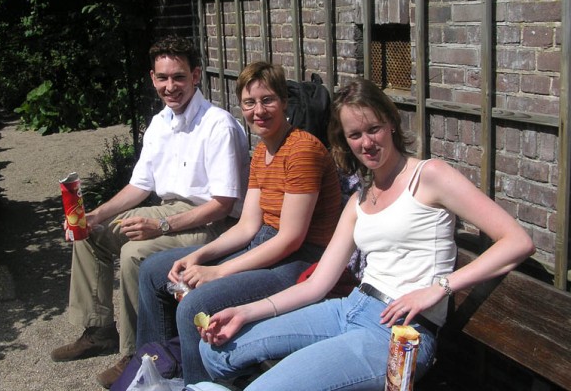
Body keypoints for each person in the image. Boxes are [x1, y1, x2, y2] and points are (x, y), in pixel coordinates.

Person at [197, 78, 535, 390]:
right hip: (349, 309)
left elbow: (517, 242)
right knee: (216, 349)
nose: (367, 143)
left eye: (374, 129)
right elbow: (317, 284)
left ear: (391, 123)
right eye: (355, 135)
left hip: (399, 333)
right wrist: (245, 312)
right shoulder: (361, 198)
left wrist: (439, 288)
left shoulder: (429, 176)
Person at [50, 35, 250, 389]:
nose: (170, 86)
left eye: (178, 77)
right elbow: (139, 187)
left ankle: (136, 353)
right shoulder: (160, 122)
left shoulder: (218, 125)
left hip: (210, 223)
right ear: (152, 78)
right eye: (162, 78)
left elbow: (221, 205)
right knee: (89, 237)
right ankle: (98, 330)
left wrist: (160, 225)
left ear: (196, 75)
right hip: (168, 212)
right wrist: (95, 216)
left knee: (134, 253)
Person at [134, 62, 343, 385]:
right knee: (152, 271)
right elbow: (247, 226)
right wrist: (198, 257)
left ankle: (200, 384)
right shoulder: (262, 150)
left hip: (303, 261)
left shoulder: (302, 150)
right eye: (249, 102)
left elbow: (290, 238)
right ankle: (158, 369)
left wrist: (217, 272)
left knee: (195, 304)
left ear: (285, 102)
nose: (258, 110)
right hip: (264, 243)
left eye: (268, 100)